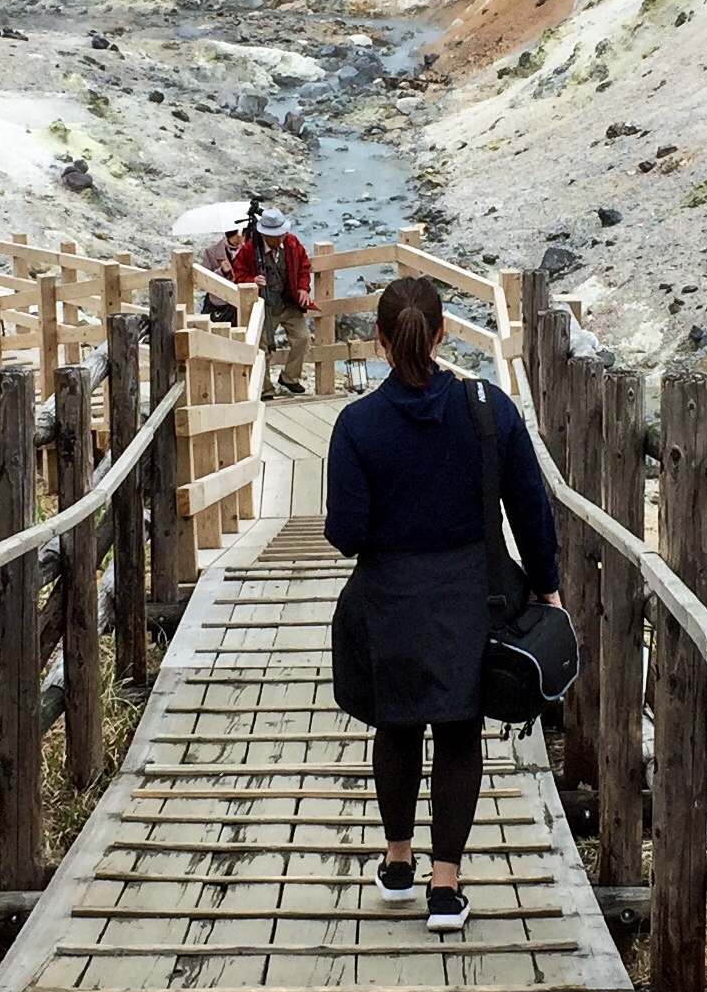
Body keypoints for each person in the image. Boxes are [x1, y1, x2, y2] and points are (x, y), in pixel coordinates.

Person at [323, 275, 559, 931]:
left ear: (378, 339)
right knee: (458, 732)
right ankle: (446, 886)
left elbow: (346, 534)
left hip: (390, 598)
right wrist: (546, 585)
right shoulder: (489, 409)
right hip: (471, 596)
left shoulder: (356, 425)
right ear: (442, 334)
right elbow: (530, 508)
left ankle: (397, 862)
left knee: (397, 725)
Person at [231, 202, 317, 395]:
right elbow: (238, 274)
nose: (280, 238)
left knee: (303, 338)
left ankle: (290, 377)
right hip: (264, 305)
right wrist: (252, 281)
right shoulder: (250, 249)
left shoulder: (292, 243)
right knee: (263, 347)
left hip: (289, 302)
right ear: (265, 235)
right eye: (276, 235)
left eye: (282, 234)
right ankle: (265, 387)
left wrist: (303, 289)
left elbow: (304, 266)